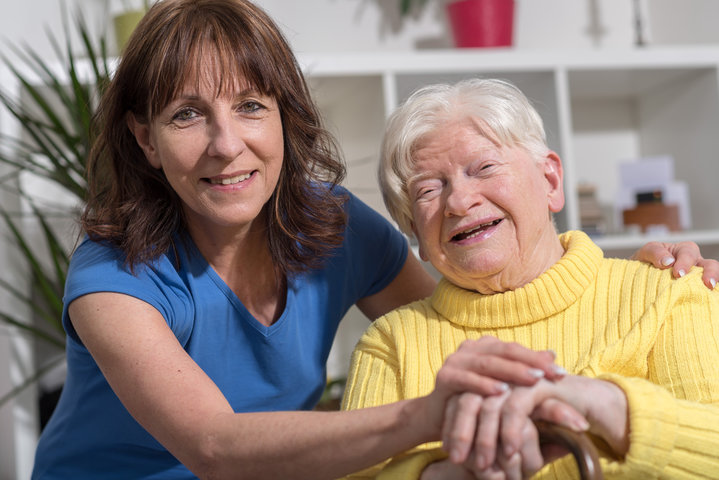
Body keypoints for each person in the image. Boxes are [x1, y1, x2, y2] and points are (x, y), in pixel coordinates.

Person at [29, 1, 716, 478]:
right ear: (144, 139)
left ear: (283, 119)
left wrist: (640, 278)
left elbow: (466, 310)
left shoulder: (332, 226)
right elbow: (214, 445)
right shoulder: (113, 275)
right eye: (187, 115)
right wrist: (425, 418)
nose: (226, 144)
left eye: (249, 106)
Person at [341, 78, 719, 479]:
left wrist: (611, 406)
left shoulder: (671, 293)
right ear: (413, 230)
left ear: (550, 181)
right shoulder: (390, 345)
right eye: (429, 190)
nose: (458, 201)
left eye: (484, 167)